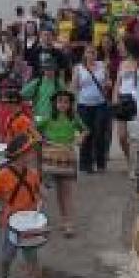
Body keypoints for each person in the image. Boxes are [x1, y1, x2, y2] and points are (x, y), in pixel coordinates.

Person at [0, 133, 50, 278]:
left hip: (29, 222)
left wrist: (43, 194)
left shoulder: (32, 174)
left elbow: (40, 190)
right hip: (12, 222)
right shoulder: (3, 175)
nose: (33, 155)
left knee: (31, 255)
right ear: (20, 155)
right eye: (29, 152)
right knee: (7, 256)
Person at [36, 90, 87, 237]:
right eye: (60, 101)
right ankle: (35, 222)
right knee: (43, 191)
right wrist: (42, 140)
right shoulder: (47, 117)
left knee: (65, 191)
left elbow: (85, 130)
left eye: (66, 102)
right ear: (54, 103)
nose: (63, 104)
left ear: (70, 104)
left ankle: (67, 223)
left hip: (67, 158)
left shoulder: (73, 118)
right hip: (49, 158)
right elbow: (32, 128)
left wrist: (79, 139)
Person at [113, 37, 139, 176]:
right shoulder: (122, 64)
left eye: (121, 45)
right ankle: (130, 160)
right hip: (123, 102)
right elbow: (117, 83)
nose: (119, 48)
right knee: (122, 136)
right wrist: (115, 100)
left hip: (138, 102)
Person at [72, 44, 110, 173]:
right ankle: (85, 164)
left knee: (100, 133)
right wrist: (74, 104)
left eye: (93, 52)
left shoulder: (102, 66)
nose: (91, 55)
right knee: (86, 133)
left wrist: (108, 85)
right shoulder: (78, 68)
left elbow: (107, 82)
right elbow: (74, 86)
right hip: (84, 104)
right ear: (84, 54)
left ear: (96, 54)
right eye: (89, 52)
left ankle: (100, 163)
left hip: (100, 104)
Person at [21, 57, 64, 121]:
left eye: (51, 68)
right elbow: (21, 95)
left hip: (53, 118)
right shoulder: (37, 82)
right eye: (47, 68)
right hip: (38, 117)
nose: (49, 71)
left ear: (55, 69)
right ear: (43, 69)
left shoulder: (58, 83)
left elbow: (65, 100)